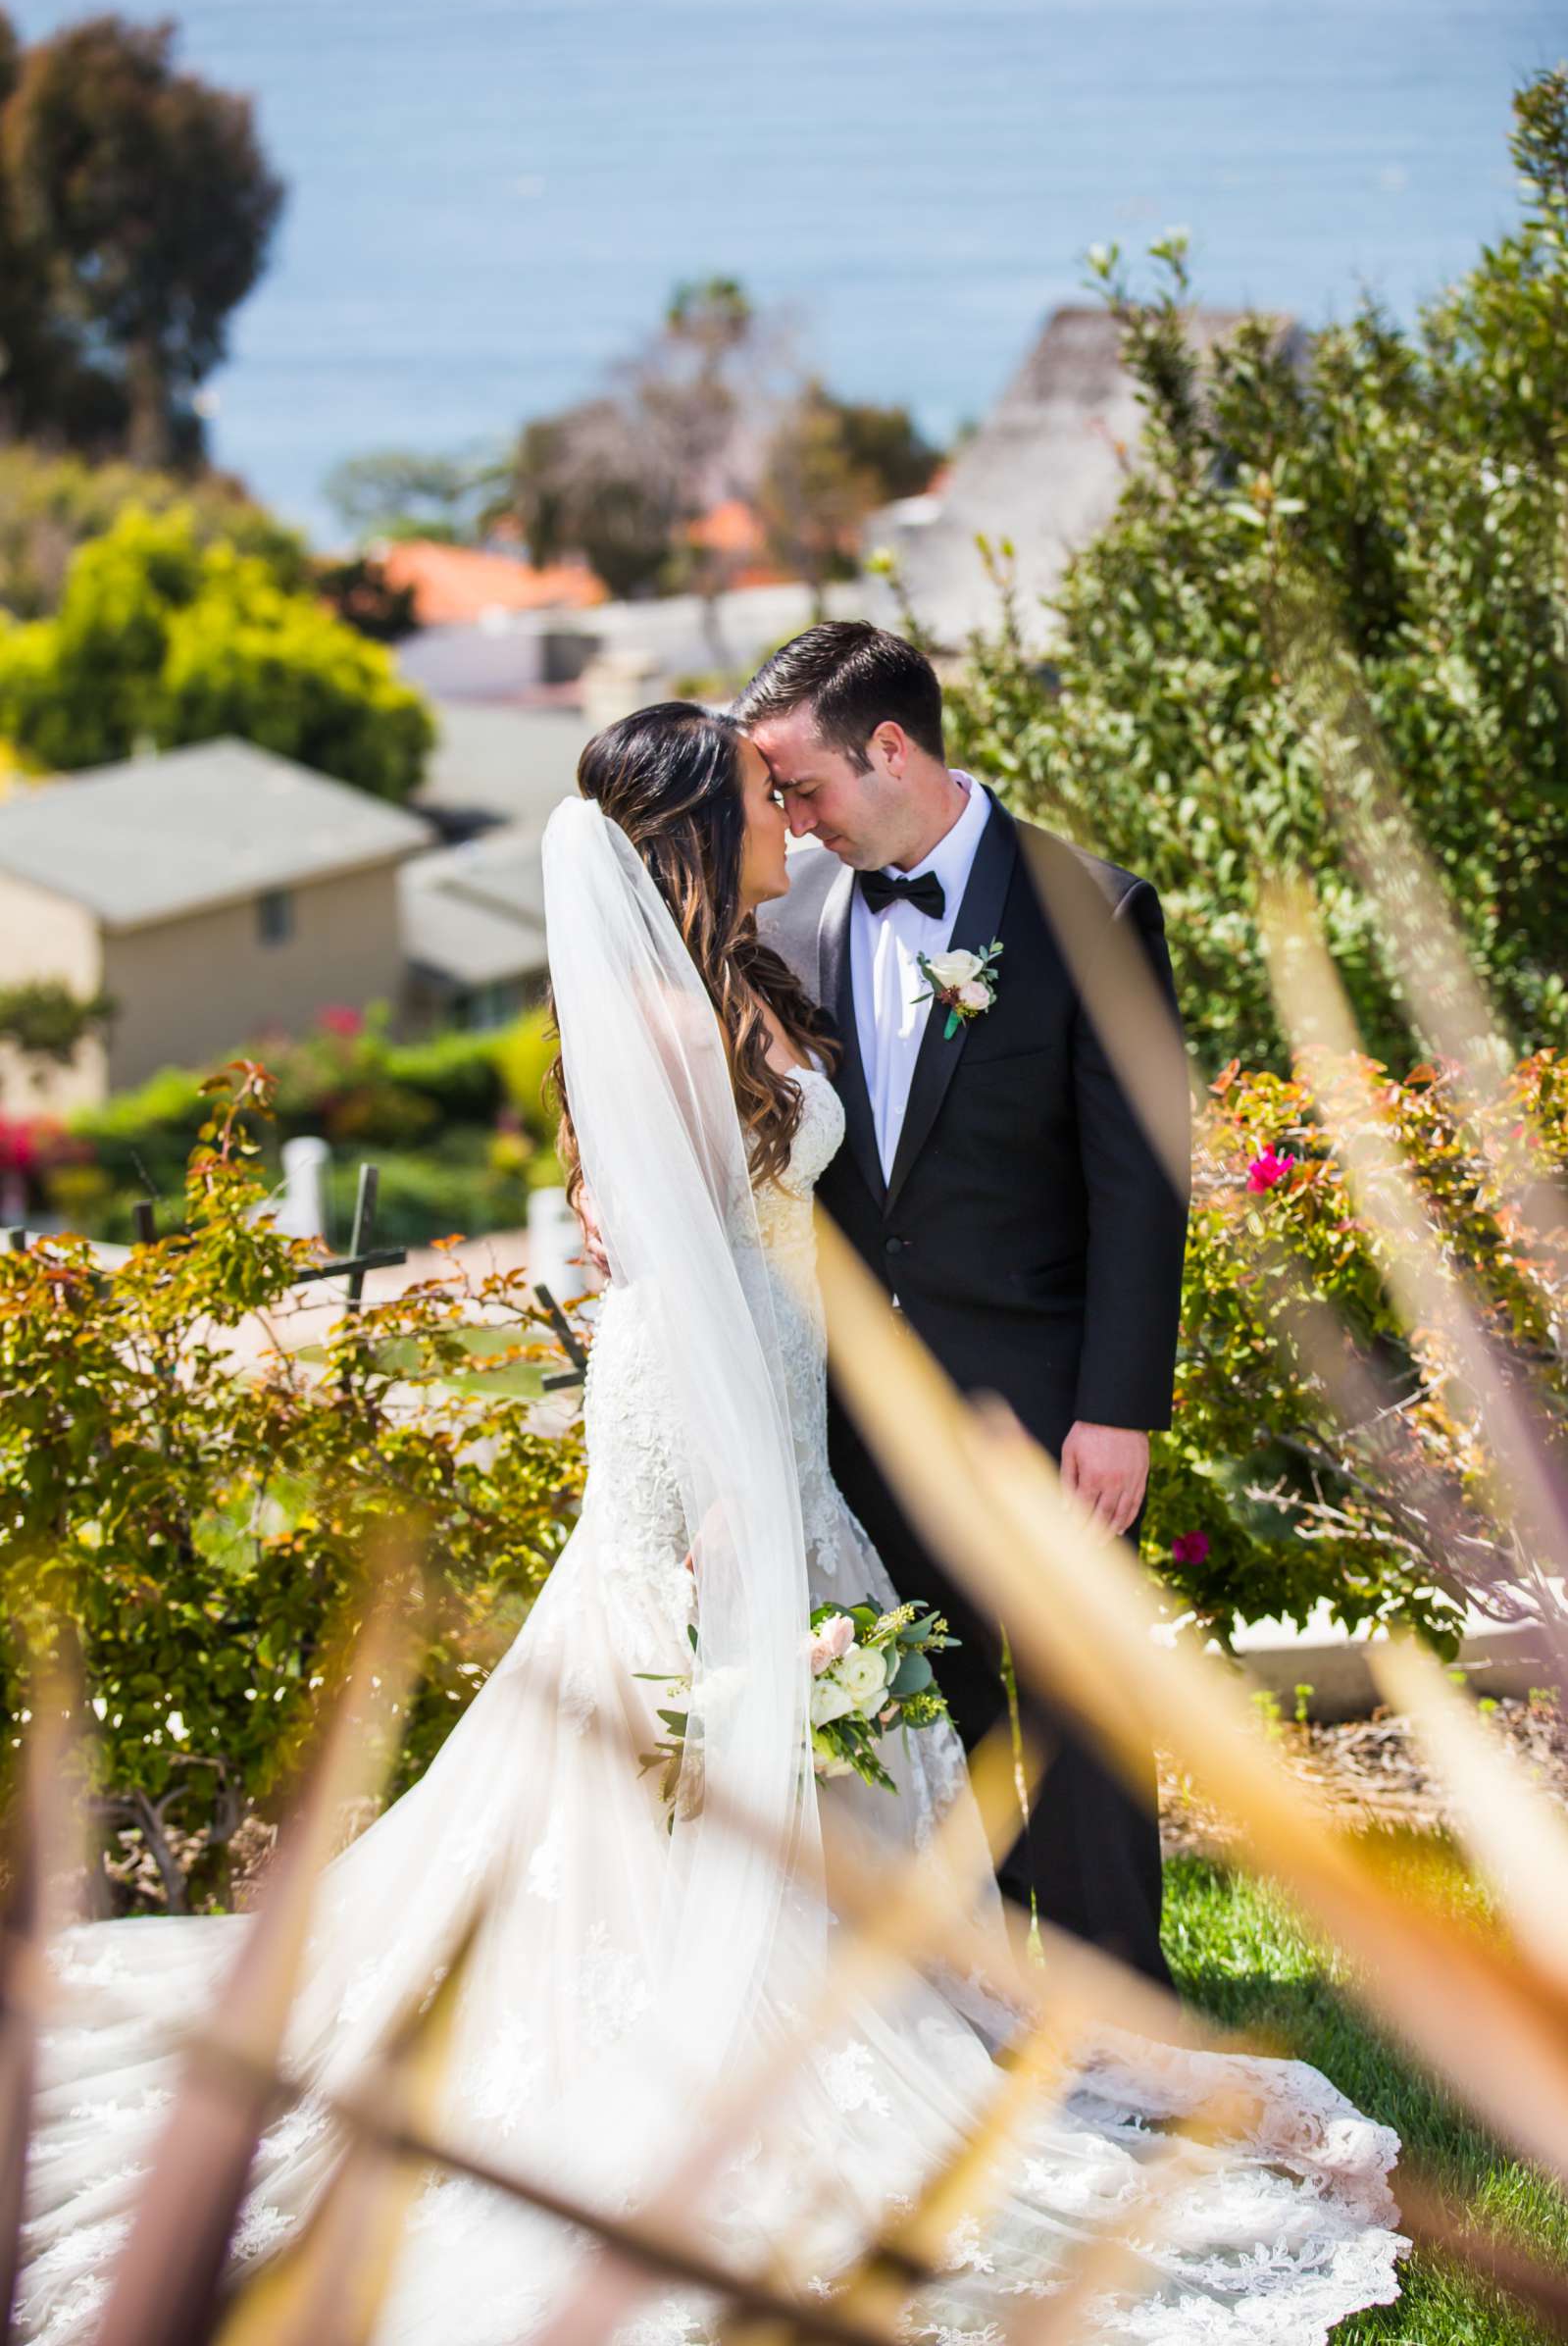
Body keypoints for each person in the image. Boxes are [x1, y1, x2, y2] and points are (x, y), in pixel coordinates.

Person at [19, 705, 1404, 2346]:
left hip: (784, 1424)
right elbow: (678, 1290)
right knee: (707, 1752)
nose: (794, 822)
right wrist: (733, 1514)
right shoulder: (676, 1026)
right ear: (694, 828)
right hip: (711, 1436)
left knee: (769, 1769)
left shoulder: (737, 975)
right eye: (763, 796)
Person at [742, 622, 1187, 1984]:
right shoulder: (792, 921)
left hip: (1043, 1407)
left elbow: (1143, 1184)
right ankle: (988, 2001)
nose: (791, 820)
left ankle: (1124, 2001)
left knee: (1080, 1707)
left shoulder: (1088, 911)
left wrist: (1119, 1412)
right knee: (923, 1717)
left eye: (802, 786)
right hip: (860, 1417)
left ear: (892, 749)